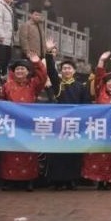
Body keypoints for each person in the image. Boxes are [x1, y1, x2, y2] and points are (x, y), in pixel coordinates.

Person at [45, 39, 90, 190]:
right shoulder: (58, 85)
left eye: (69, 68)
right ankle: (58, 181)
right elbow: (51, 71)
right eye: (64, 68)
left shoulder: (81, 87)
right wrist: (49, 53)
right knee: (58, 153)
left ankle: (72, 180)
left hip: (74, 125)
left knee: (73, 153)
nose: (66, 70)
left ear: (74, 71)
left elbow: (86, 105)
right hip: (59, 124)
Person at [0, 52, 47, 192]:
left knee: (28, 152)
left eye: (23, 69)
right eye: (17, 69)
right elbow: (1, 100)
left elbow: (43, 77)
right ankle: (8, 181)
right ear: (13, 72)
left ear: (27, 72)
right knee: (10, 152)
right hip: (12, 124)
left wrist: (37, 63)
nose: (20, 71)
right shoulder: (7, 85)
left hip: (28, 124)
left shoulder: (33, 84)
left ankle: (29, 181)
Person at [81, 51, 111, 190]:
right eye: (109, 82)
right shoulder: (100, 91)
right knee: (98, 156)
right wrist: (101, 60)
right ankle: (100, 181)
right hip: (100, 131)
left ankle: (109, 181)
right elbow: (99, 76)